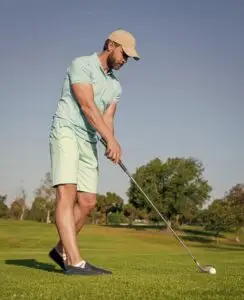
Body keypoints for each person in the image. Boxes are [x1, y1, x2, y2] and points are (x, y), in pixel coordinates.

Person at [48, 29, 140, 275]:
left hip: (88, 138)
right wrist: (109, 138)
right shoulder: (82, 64)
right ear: (111, 45)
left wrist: (113, 142)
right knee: (66, 193)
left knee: (88, 202)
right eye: (124, 53)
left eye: (129, 58)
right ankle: (75, 261)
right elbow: (87, 105)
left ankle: (60, 249)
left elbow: (107, 118)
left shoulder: (115, 86)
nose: (125, 60)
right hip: (66, 129)